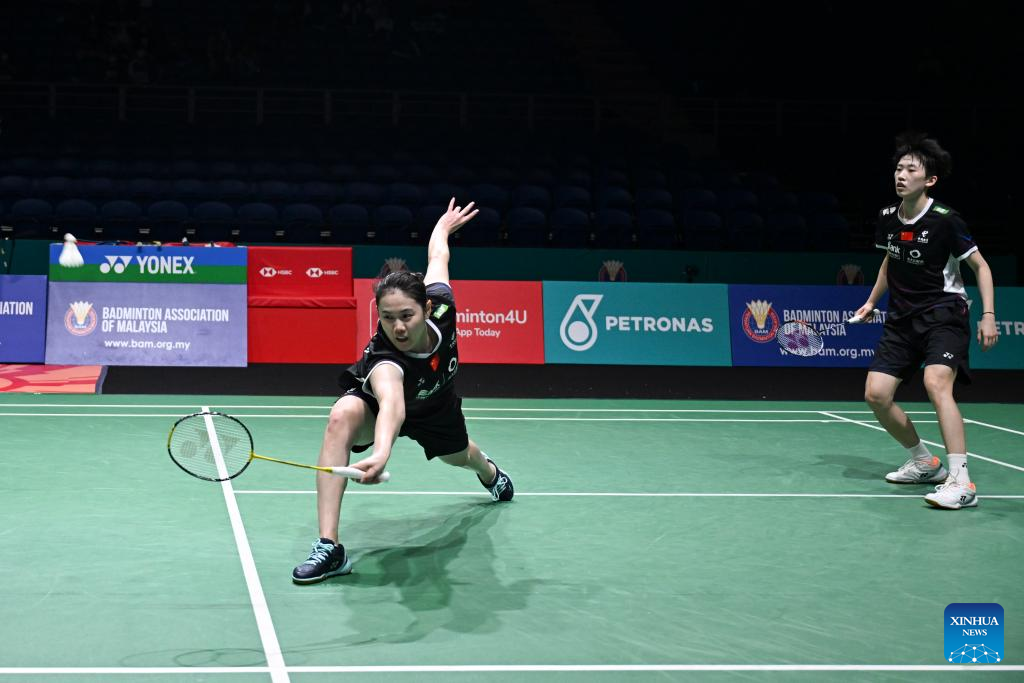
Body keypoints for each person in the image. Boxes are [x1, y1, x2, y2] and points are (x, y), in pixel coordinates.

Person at [293, 198, 515, 584]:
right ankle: (330, 546)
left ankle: (489, 472)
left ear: (426, 308)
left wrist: (442, 228)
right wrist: (382, 452)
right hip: (380, 407)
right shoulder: (385, 357)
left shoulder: (443, 307)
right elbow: (392, 404)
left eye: (406, 316)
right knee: (341, 415)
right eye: (387, 317)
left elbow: (438, 258)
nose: (397, 327)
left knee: (461, 457)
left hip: (435, 406)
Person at [853, 132, 999, 510]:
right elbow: (890, 260)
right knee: (876, 395)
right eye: (899, 168)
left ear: (929, 179)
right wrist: (871, 302)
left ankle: (962, 482)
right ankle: (924, 462)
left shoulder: (946, 221)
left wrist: (988, 315)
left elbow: (981, 266)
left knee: (936, 383)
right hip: (902, 318)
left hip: (943, 314)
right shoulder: (887, 217)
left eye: (911, 170)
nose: (901, 175)